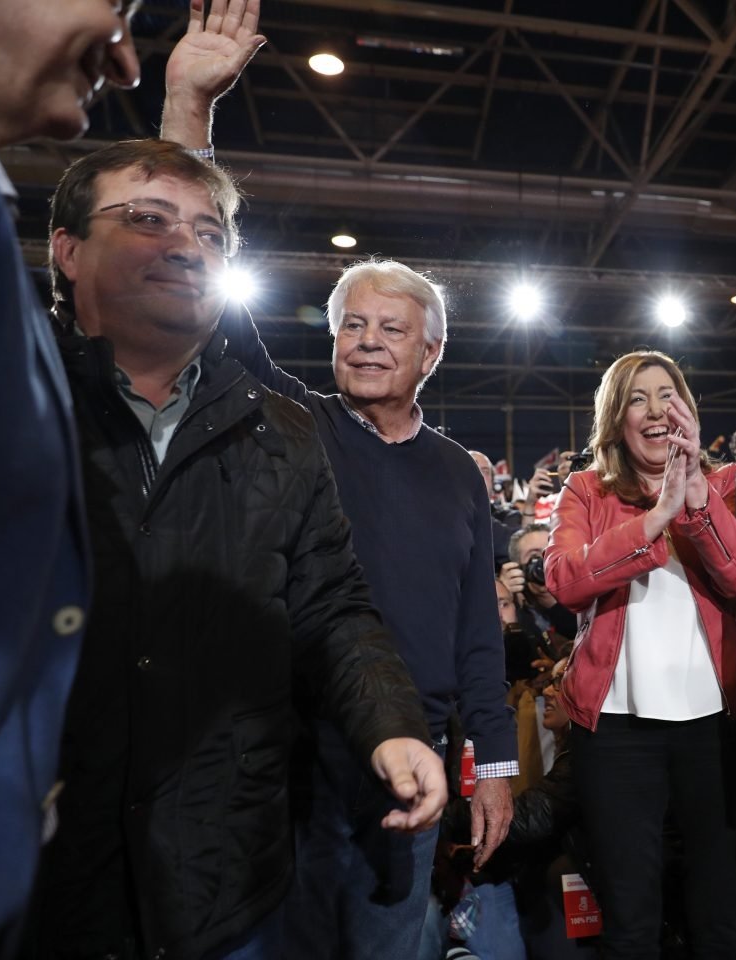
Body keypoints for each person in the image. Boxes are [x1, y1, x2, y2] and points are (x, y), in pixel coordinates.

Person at [24, 137, 444, 960]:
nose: (187, 244)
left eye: (212, 235)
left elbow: (332, 606)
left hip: (225, 876)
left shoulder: (279, 433)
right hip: (44, 873)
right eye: (147, 219)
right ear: (67, 250)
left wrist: (392, 724)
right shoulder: (16, 401)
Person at [0, 1, 253, 951]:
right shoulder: (49, 377)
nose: (125, 56)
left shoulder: (253, 415)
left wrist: (188, 113)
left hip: (190, 863)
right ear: (65, 251)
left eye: (210, 238)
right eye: (113, 5)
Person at [193, 258, 519, 957]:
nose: (367, 340)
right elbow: (227, 331)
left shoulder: (460, 470)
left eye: (391, 328)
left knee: (390, 945)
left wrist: (494, 768)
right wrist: (194, 153)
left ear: (430, 353)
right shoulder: (296, 423)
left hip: (415, 766)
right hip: (298, 755)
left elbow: (478, 636)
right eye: (353, 324)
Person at [543, 350, 736, 959]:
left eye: (668, 394)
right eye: (638, 398)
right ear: (616, 418)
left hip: (716, 727)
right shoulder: (584, 490)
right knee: (630, 919)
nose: (657, 409)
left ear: (687, 409)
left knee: (725, 913)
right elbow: (565, 579)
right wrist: (653, 518)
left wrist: (690, 502)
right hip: (614, 733)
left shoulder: (724, 485)